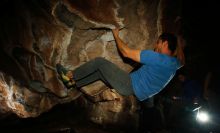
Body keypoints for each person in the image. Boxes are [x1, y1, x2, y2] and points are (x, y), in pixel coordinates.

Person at [56, 28, 184, 102]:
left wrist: (116, 34)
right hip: (133, 92)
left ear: (164, 43)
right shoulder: (174, 64)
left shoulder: (159, 58)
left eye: (158, 42)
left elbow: (126, 52)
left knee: (99, 62)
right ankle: (74, 83)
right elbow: (182, 60)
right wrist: (178, 41)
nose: (156, 45)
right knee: (100, 73)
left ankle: (69, 75)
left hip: (129, 84)